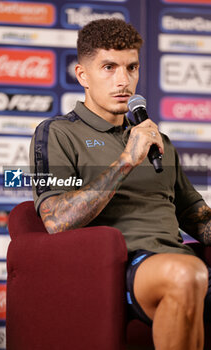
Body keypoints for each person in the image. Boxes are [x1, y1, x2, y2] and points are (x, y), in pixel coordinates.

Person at [30, 18, 211, 350]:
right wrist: (127, 160)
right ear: (83, 75)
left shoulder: (159, 141)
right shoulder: (58, 133)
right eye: (109, 67)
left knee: (189, 272)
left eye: (132, 67)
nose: (123, 81)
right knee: (187, 273)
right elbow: (56, 221)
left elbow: (197, 216)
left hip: (179, 261)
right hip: (121, 268)